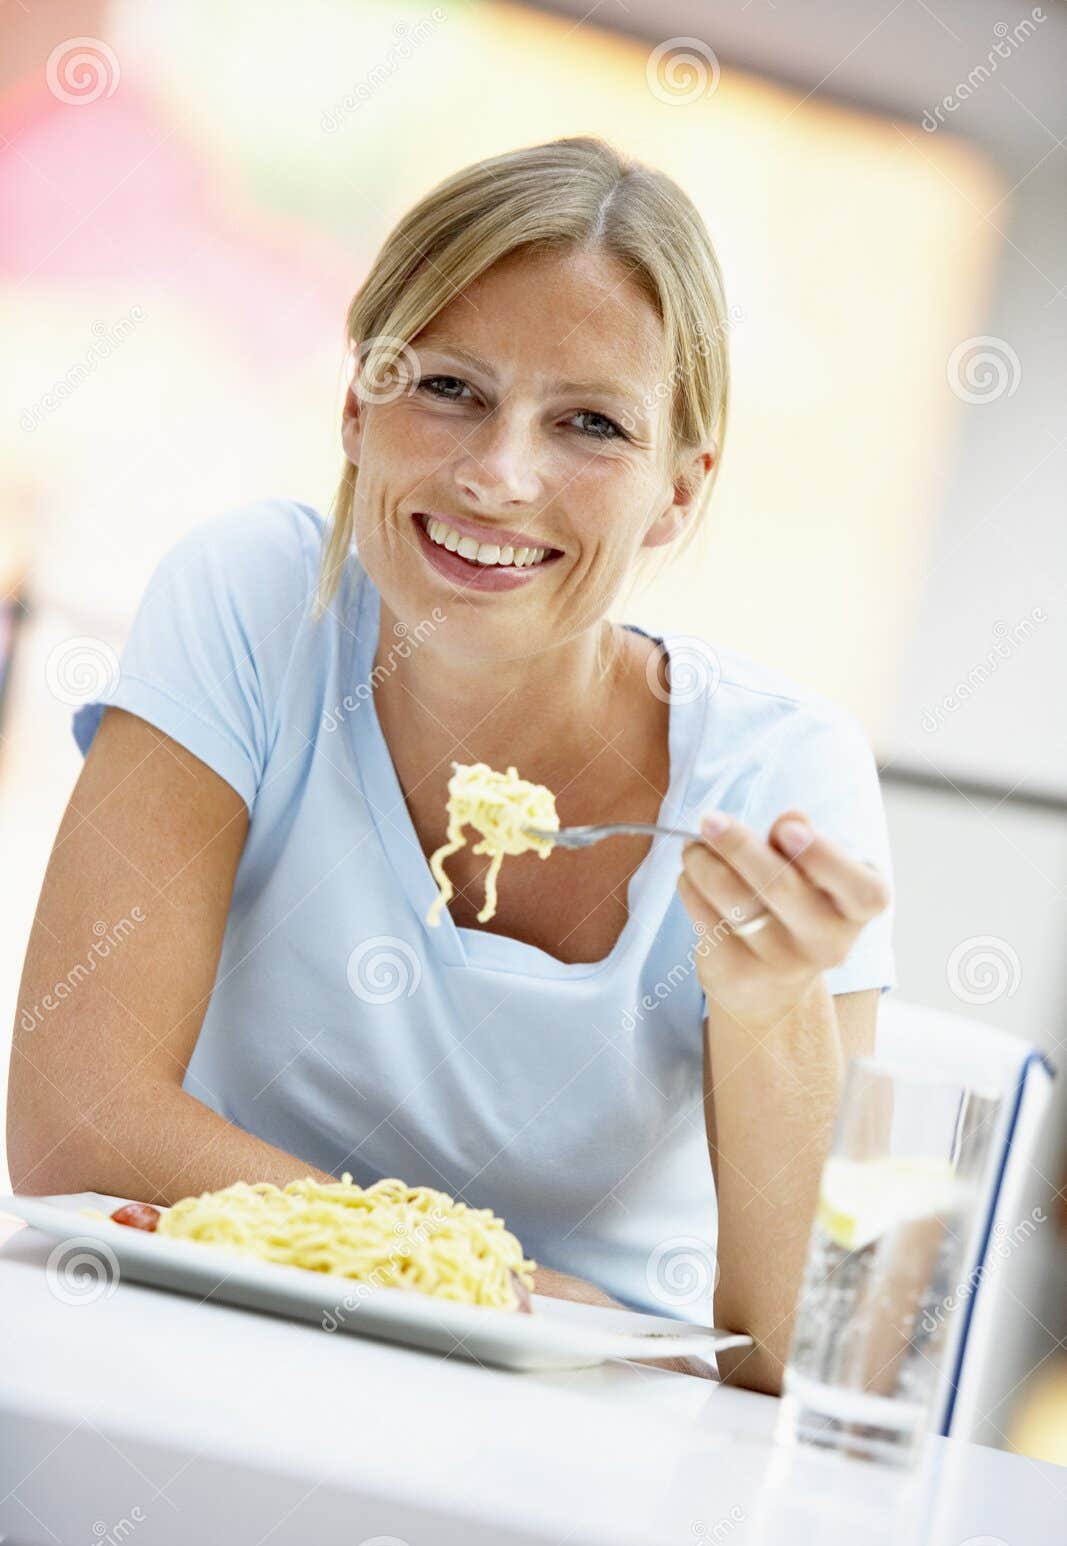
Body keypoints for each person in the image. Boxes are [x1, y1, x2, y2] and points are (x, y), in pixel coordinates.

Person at [8, 136, 894, 1394]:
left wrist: (767, 1012)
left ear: (675, 496)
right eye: (449, 389)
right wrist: (483, 1280)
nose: (498, 475)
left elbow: (808, 1355)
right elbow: (74, 1124)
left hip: (589, 1442)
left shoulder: (780, 769)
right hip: (197, 1368)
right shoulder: (253, 603)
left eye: (589, 423)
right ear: (357, 403)